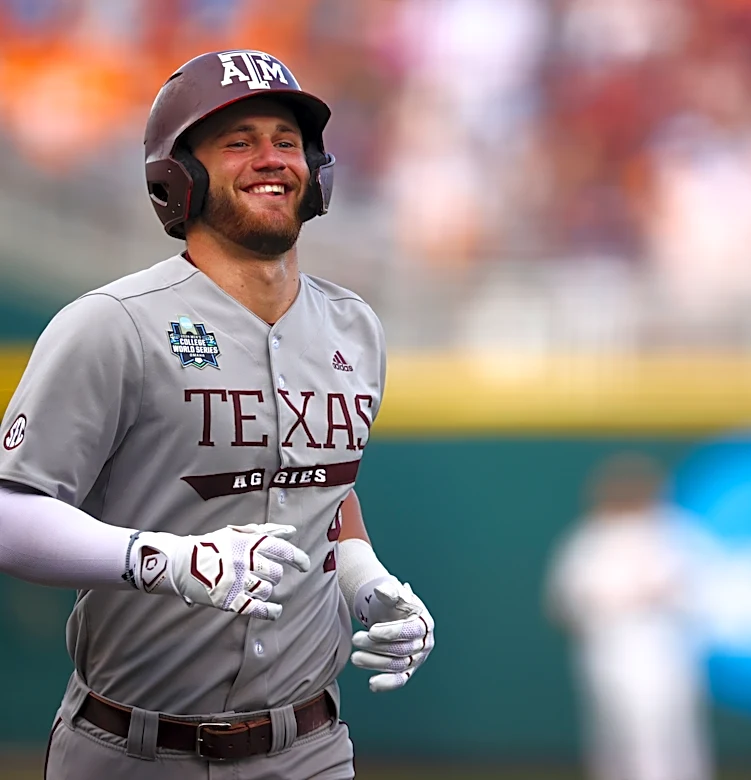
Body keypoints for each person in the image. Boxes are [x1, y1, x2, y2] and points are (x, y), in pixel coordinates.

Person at [0, 49, 434, 780]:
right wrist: (163, 560)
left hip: (310, 746)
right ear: (180, 176)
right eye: (239, 141)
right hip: (133, 749)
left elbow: (322, 489)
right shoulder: (111, 323)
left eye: (287, 141)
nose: (272, 159)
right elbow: (11, 516)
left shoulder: (355, 325)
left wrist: (365, 578)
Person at [544, 453, 711, 780]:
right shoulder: (590, 539)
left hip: (667, 650)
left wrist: (664, 596)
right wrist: (614, 603)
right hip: (608, 651)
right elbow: (564, 603)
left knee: (672, 735)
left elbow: (703, 595)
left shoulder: (675, 534)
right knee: (614, 737)